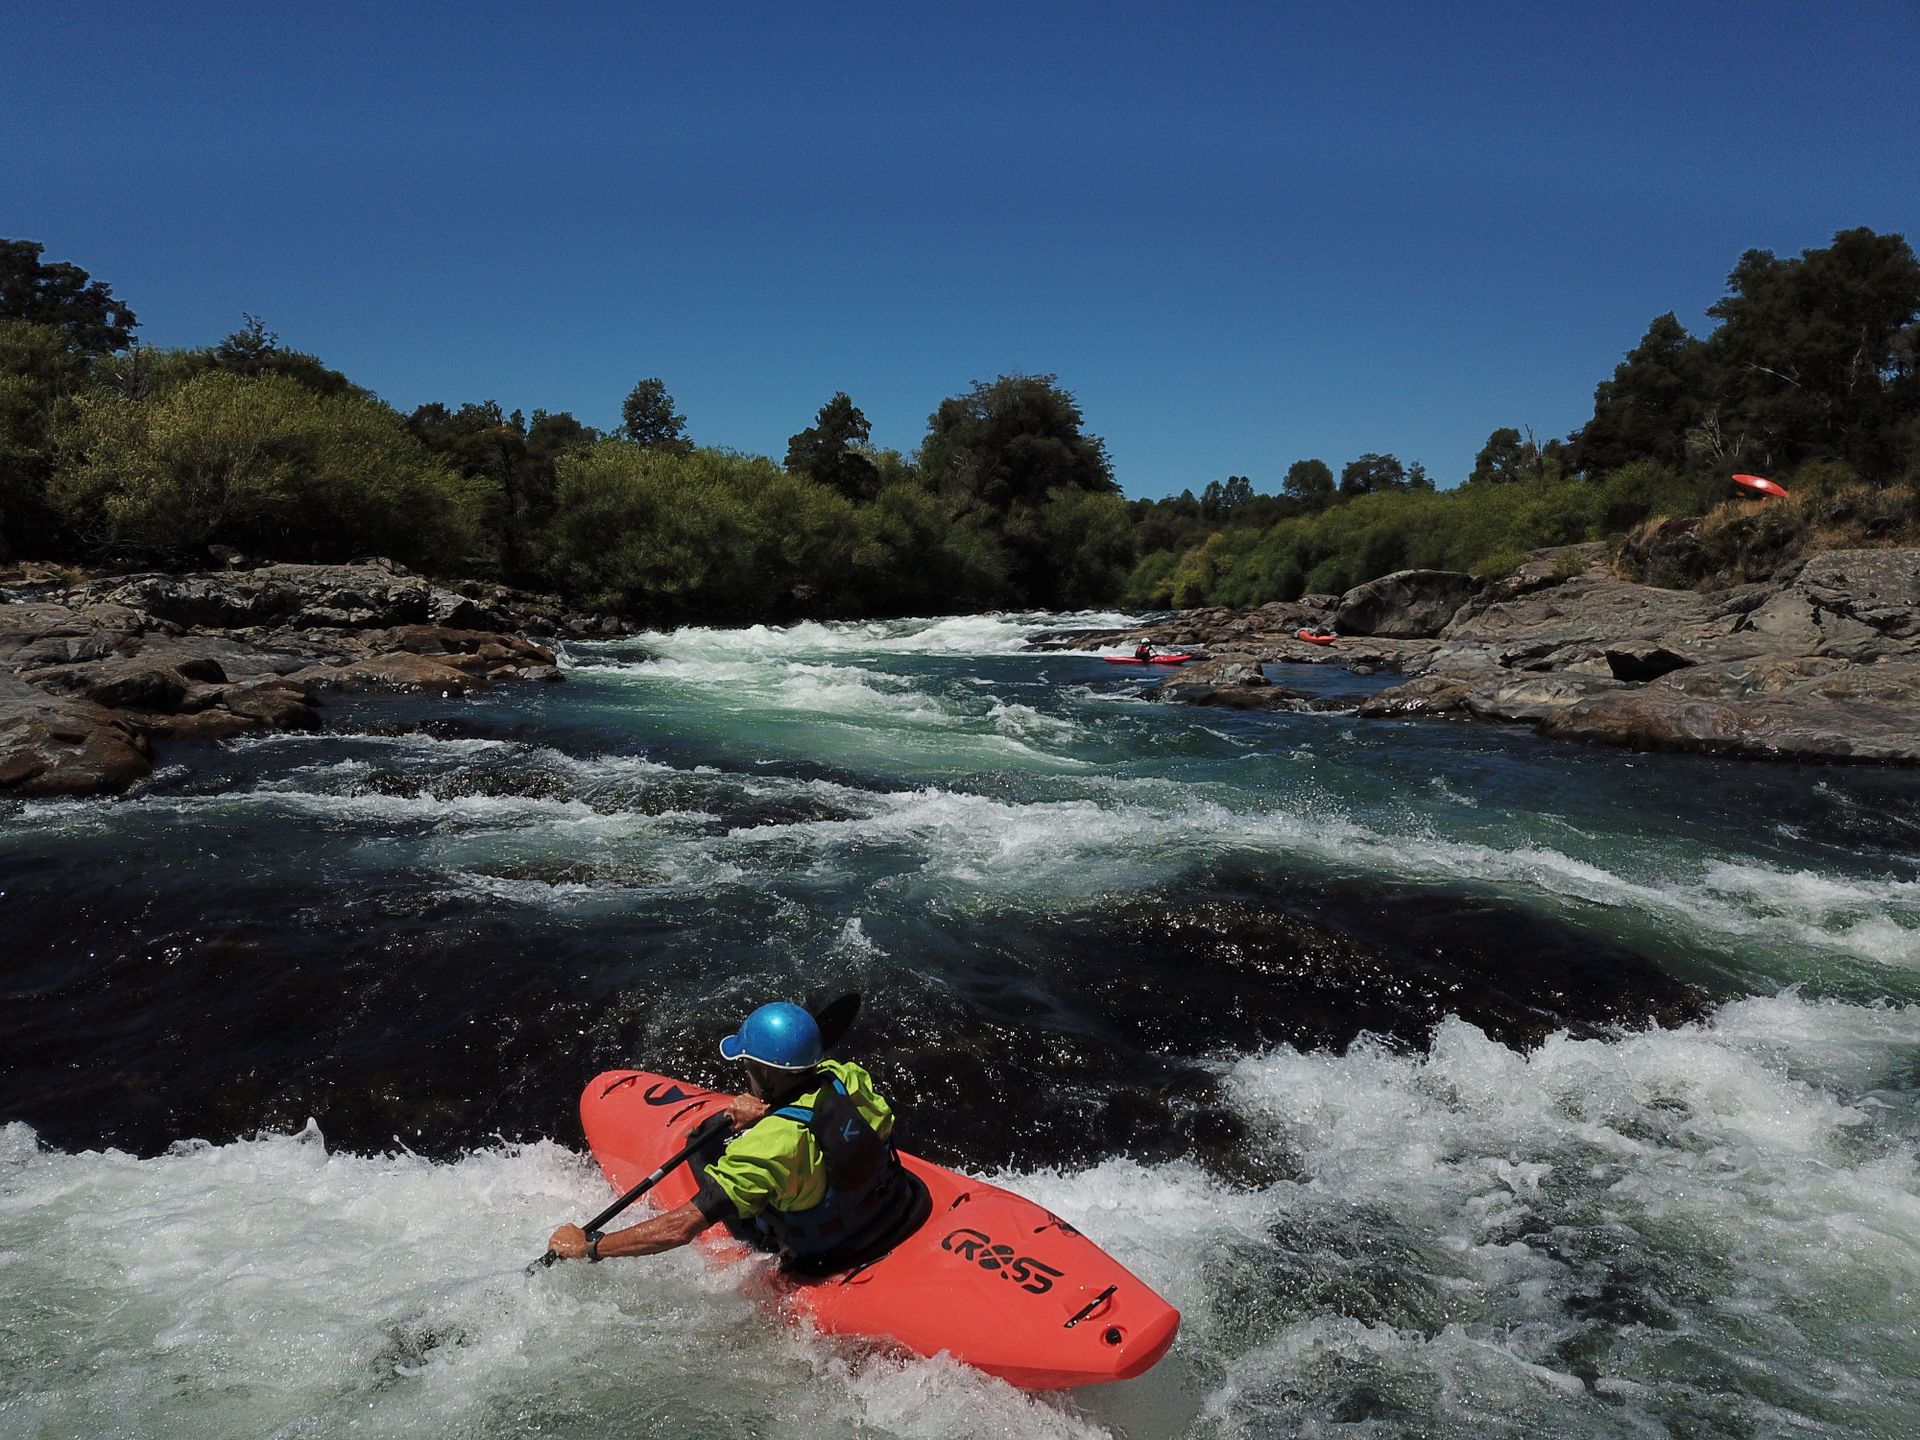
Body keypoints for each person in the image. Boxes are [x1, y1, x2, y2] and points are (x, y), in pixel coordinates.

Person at [546, 1001, 925, 1273]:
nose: (744, 1072)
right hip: (894, 1206)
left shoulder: (762, 1150)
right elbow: (812, 1116)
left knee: (705, 1149)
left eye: (747, 1066)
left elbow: (681, 1229)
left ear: (766, 1072)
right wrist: (773, 1107)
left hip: (828, 1251)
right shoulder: (848, 1077)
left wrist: (591, 1247)